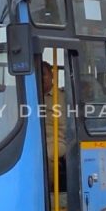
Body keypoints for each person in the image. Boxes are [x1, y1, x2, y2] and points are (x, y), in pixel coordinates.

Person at [41, 61, 68, 192]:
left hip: (58, 140)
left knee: (46, 154)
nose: (41, 78)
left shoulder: (63, 97)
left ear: (52, 76)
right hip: (36, 139)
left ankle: (46, 191)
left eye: (44, 74)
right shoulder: (31, 97)